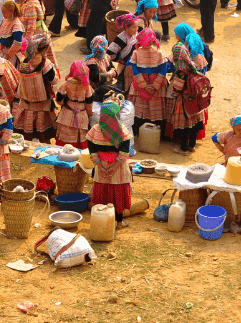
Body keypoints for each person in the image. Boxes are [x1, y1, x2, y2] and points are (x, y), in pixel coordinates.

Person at [88, 98, 134, 229]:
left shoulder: (95, 130)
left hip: (101, 166)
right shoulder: (123, 131)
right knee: (118, 194)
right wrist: (114, 168)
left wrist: (100, 167)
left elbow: (92, 150)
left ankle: (102, 222)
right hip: (118, 167)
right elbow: (124, 153)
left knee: (102, 193)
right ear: (117, 115)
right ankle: (119, 223)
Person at [13, 33, 59, 143]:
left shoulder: (25, 61)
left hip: (27, 103)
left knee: (28, 133)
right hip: (43, 105)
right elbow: (54, 81)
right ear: (44, 49)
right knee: (44, 134)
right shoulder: (45, 64)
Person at [127, 29, 169, 135]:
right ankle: (158, 133)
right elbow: (163, 71)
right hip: (158, 87)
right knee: (156, 109)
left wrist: (144, 85)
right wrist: (155, 85)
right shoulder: (160, 53)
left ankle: (137, 132)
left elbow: (135, 71)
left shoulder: (136, 53)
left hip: (139, 85)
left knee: (139, 108)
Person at [167, 46, 205, 154]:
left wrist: (172, 93)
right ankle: (191, 146)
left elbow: (177, 89)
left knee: (185, 127)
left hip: (183, 102)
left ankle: (183, 148)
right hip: (195, 102)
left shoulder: (181, 71)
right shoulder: (193, 67)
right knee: (194, 125)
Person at [54, 61, 94, 148]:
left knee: (64, 140)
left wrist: (64, 103)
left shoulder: (66, 84)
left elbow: (59, 99)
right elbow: (89, 104)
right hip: (81, 117)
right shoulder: (87, 87)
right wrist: (90, 115)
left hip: (66, 116)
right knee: (80, 140)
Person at [107, 13, 139, 89]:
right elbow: (110, 52)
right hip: (124, 66)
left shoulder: (136, 34)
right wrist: (119, 60)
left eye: (137, 26)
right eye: (134, 27)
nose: (136, 29)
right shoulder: (121, 38)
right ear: (126, 28)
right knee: (122, 83)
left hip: (134, 64)